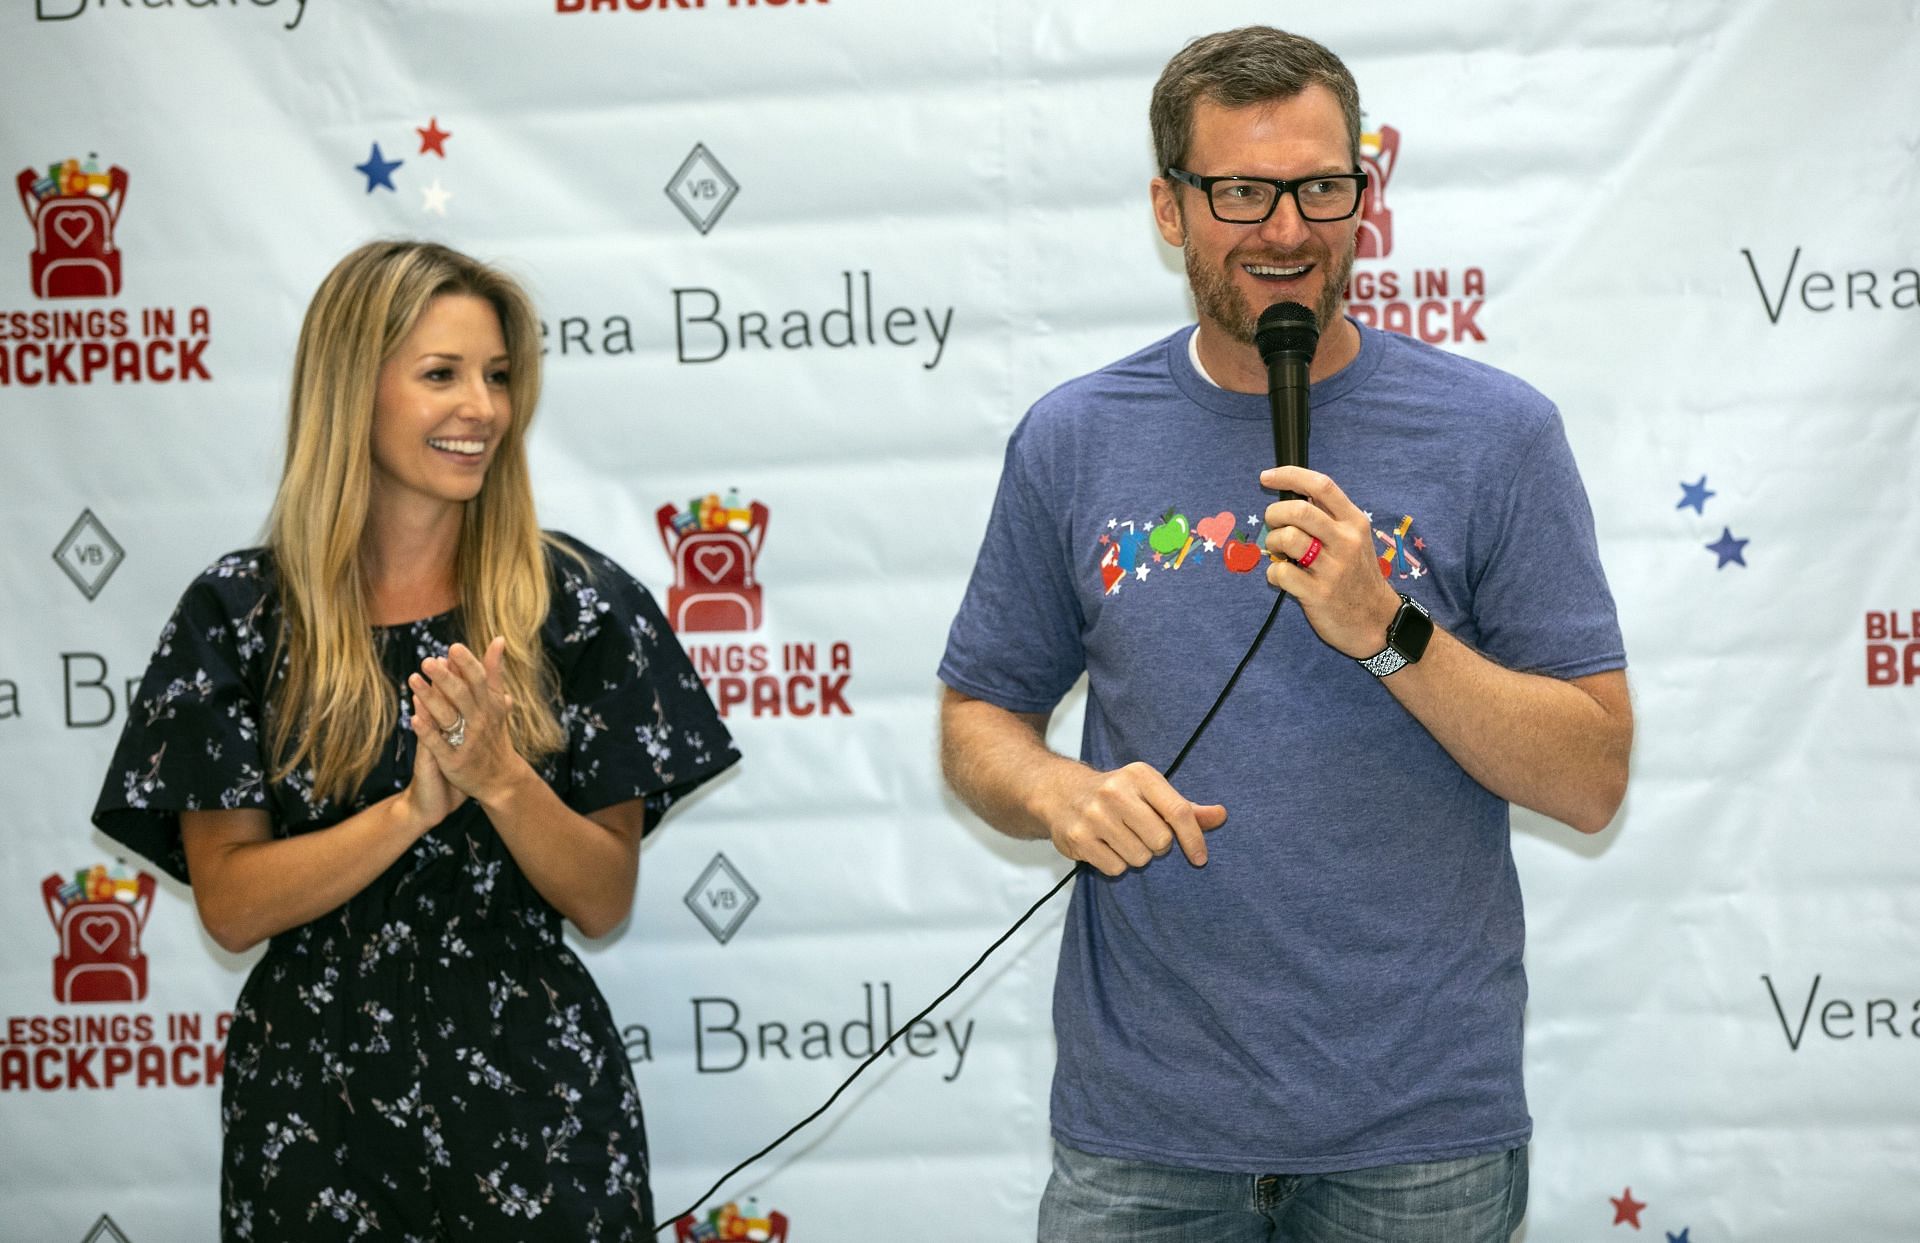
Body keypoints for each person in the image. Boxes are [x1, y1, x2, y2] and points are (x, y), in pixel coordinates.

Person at [938, 26, 1631, 1241]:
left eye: (1321, 187)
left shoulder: (1496, 435)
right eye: (1241, 191)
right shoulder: (1073, 437)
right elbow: (977, 717)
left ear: (1364, 195)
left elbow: (1589, 776)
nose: (1288, 229)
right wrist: (1054, 789)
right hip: (1144, 1136)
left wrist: (1386, 626)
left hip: (1418, 1139)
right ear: (1170, 206)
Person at [93, 240, 736, 1240]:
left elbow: (602, 897)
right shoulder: (240, 615)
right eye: (441, 374)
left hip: (537, 1103)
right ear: (354, 390)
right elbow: (230, 903)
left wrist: (500, 780)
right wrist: (414, 809)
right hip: (311, 1110)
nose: (481, 407)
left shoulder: (578, 606)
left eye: (498, 376)